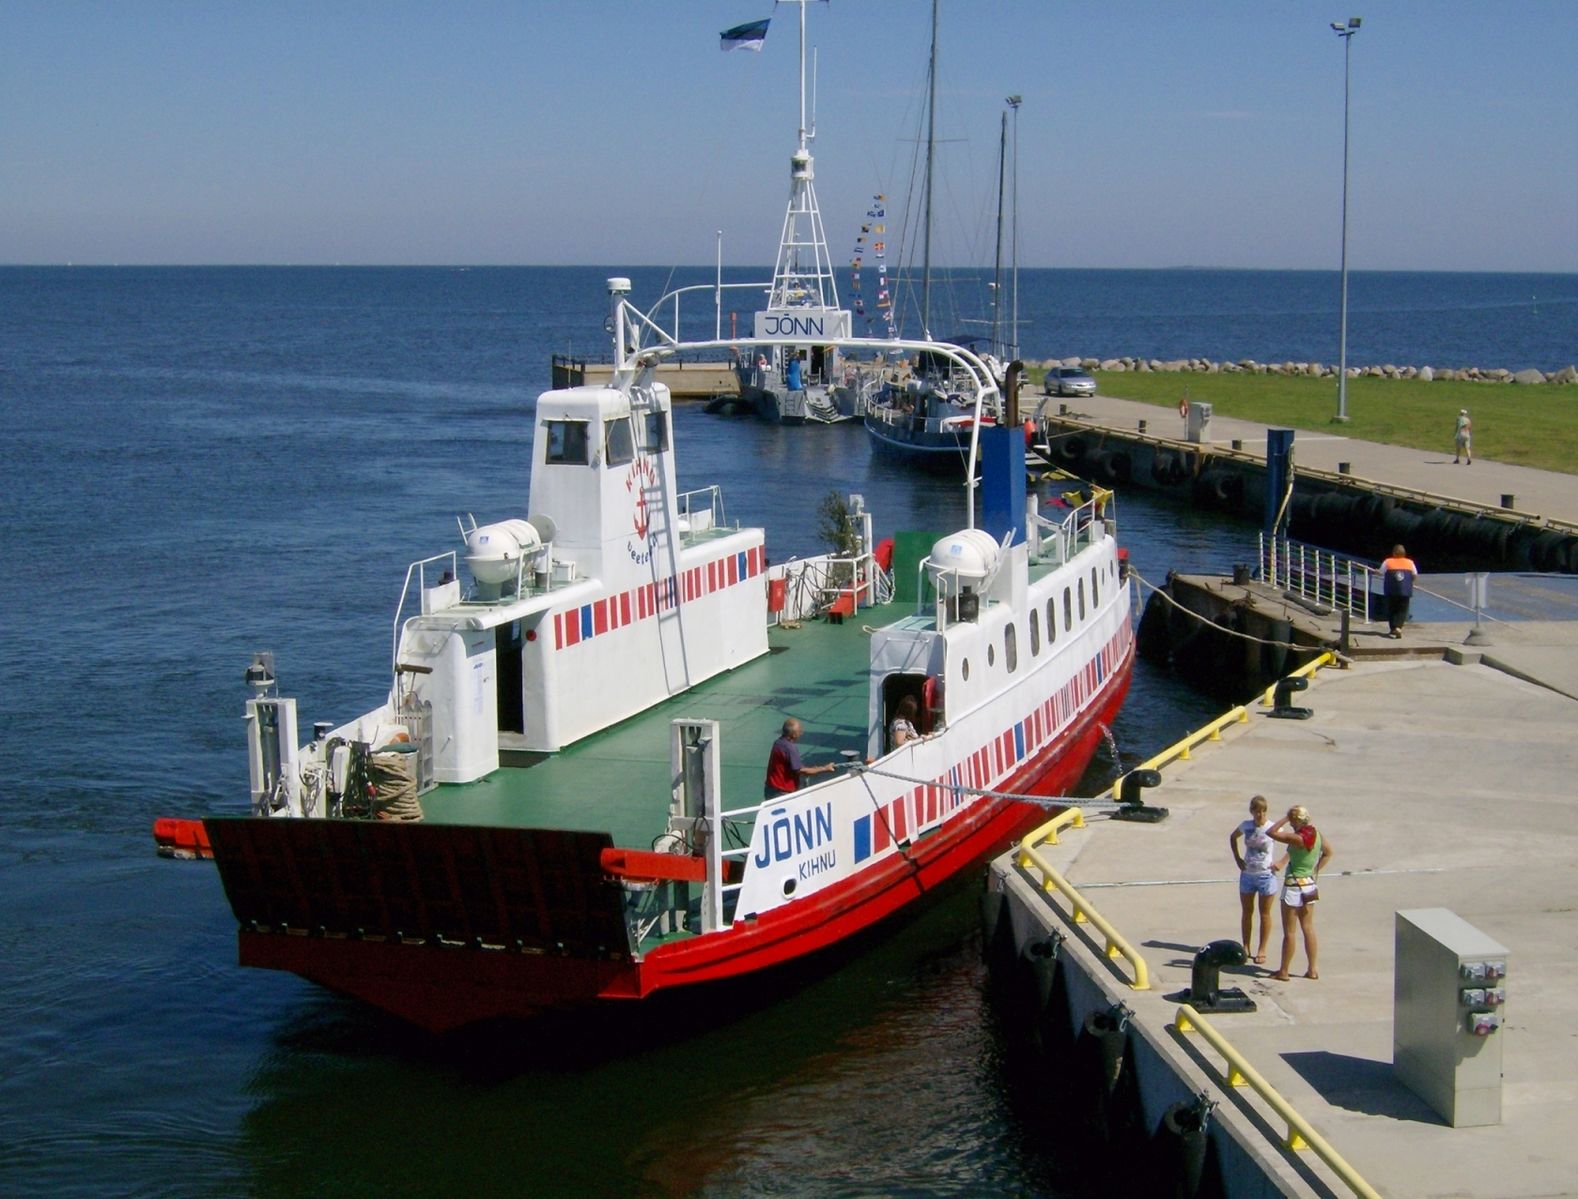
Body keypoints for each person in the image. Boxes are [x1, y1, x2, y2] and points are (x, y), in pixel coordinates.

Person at [1267, 805, 1334, 981]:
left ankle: (1284, 971)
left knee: (1290, 932)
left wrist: (1285, 818)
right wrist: (1314, 870)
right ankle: (1312, 969)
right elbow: (1328, 852)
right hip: (1309, 884)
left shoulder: (1297, 838)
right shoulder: (1317, 834)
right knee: (1308, 928)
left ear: (1296, 821)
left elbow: (1271, 832)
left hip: (1294, 885)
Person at [1229, 795, 1285, 965]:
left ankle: (1262, 948)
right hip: (1248, 874)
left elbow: (1293, 843)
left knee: (1264, 913)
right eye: (1257, 811)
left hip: (1266, 875)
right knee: (1247, 912)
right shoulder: (1246, 826)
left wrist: (1282, 862)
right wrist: (1237, 858)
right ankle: (1246, 946)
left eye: (1263, 811)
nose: (1260, 815)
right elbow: (1233, 837)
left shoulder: (1272, 828)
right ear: (1252, 811)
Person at [763, 717, 836, 799]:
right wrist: (825, 768)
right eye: (800, 731)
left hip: (770, 789)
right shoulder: (790, 748)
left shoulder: (778, 743)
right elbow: (801, 770)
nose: (801, 733)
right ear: (793, 735)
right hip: (782, 793)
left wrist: (813, 769)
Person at [1380, 544, 1418, 639]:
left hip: (1391, 590)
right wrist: (1411, 582)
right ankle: (1398, 627)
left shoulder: (1387, 561)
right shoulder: (1410, 562)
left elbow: (1381, 572)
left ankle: (1393, 628)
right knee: (1402, 610)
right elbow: (1415, 574)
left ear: (1394, 553)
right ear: (1404, 553)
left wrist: (1376, 571)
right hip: (1405, 590)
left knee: (1392, 609)